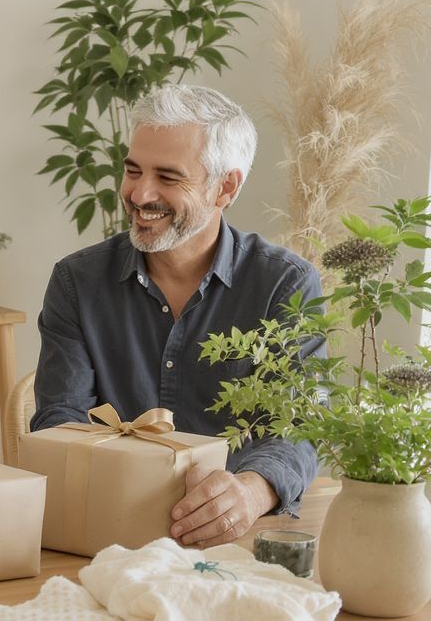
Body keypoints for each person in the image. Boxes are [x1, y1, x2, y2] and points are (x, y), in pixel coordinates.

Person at [30, 84, 322, 548]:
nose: (140, 193)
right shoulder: (75, 281)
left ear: (225, 187)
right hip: (105, 533)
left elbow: (301, 427)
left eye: (168, 177)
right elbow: (60, 419)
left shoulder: (284, 285)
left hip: (237, 538)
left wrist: (248, 493)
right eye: (132, 170)